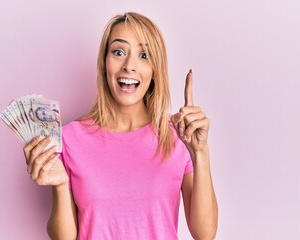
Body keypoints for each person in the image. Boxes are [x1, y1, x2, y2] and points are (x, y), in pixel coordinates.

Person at [23, 12, 218, 240]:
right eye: (118, 52)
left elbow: (205, 234)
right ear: (104, 63)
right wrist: (59, 185)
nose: (129, 66)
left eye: (144, 55)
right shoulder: (69, 138)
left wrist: (200, 152)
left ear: (155, 70)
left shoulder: (178, 135)